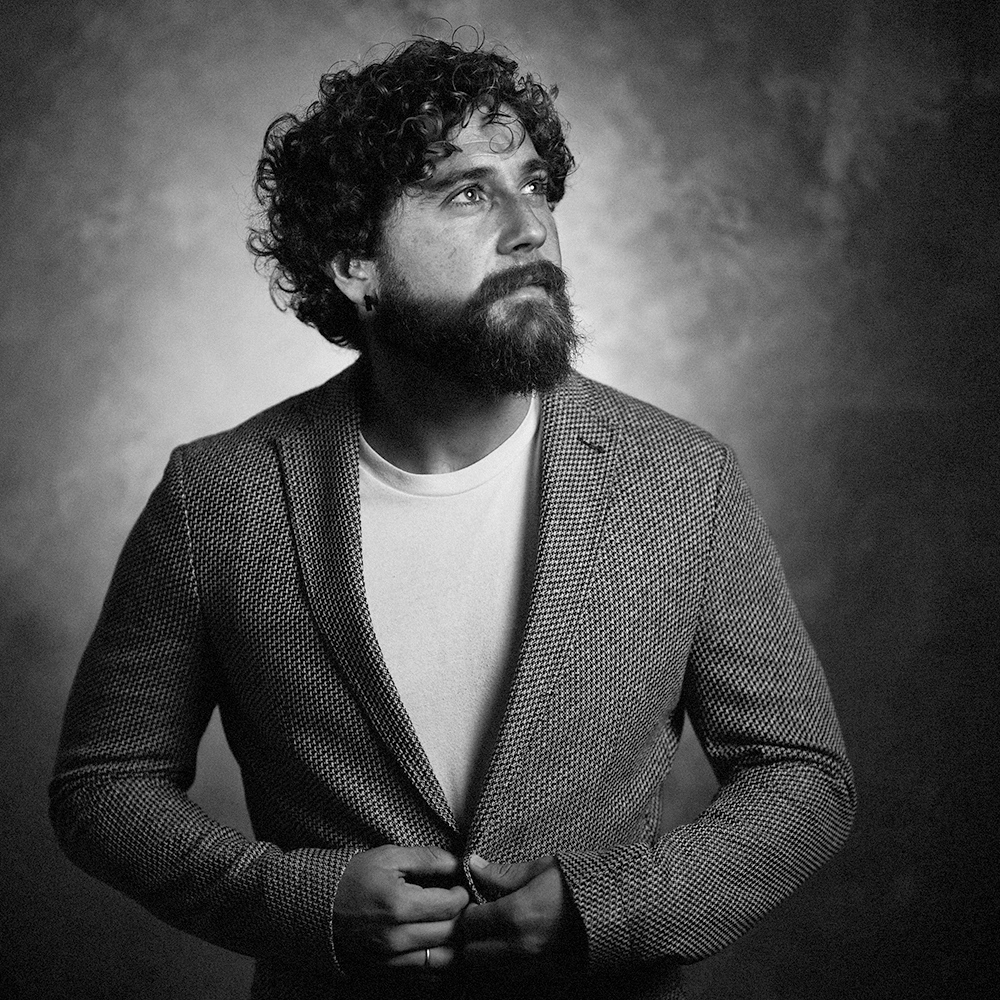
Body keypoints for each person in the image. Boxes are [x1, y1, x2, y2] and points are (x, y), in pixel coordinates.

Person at [50, 36, 856, 1000]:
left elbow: (802, 776)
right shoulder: (217, 496)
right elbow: (104, 783)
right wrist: (303, 904)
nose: (531, 230)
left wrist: (609, 909)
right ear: (356, 261)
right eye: (468, 193)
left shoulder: (683, 480)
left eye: (536, 187)